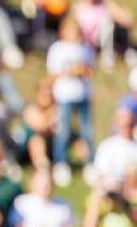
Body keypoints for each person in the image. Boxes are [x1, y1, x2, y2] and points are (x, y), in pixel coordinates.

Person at [47, 16, 95, 186]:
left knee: (86, 131)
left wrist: (83, 71)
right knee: (63, 131)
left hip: (82, 95)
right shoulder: (57, 49)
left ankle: (90, 163)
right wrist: (69, 71)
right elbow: (52, 74)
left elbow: (90, 70)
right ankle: (60, 163)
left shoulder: (85, 49)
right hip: (64, 95)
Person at [8, 168, 75, 227]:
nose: (44, 186)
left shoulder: (63, 205)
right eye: (40, 182)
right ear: (32, 183)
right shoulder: (21, 203)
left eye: (48, 183)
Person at [90, 107, 137, 191]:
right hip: (112, 185)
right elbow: (101, 173)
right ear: (117, 125)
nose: (128, 129)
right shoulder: (108, 145)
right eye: (124, 126)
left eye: (130, 125)